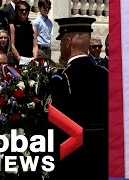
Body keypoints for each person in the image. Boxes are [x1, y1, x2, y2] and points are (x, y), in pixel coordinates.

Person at [50, 17, 108, 179]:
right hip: (100, 154)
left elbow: (57, 123)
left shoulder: (62, 77)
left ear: (68, 42)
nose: (61, 45)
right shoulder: (105, 74)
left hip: (72, 157)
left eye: (61, 41)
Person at [10, 1, 38, 66]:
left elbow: (35, 45)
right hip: (17, 60)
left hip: (30, 59)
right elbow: (12, 45)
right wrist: (19, 58)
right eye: (21, 10)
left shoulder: (33, 27)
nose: (24, 12)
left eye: (26, 10)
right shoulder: (12, 26)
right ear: (17, 11)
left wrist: (35, 59)